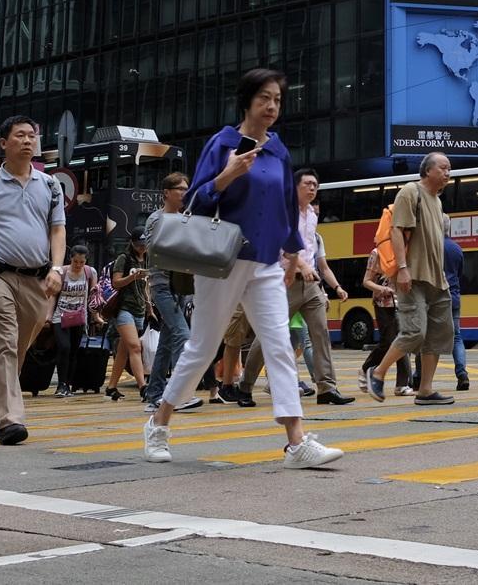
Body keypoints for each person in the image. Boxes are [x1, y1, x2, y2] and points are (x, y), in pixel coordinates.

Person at [142, 68, 343, 468]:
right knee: (202, 348)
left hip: (266, 262)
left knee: (280, 346)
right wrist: (227, 176)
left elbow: (287, 205)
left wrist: (293, 254)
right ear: (247, 101)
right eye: (264, 98)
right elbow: (195, 204)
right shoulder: (223, 143)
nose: (271, 107)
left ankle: (296, 442)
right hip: (223, 260)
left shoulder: (279, 150)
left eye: (278, 100)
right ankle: (158, 422)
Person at [0, 114, 68, 447]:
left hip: (37, 280)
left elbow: (58, 230)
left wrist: (57, 269)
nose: (28, 140)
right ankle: (11, 420)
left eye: (32, 135)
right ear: (4, 143)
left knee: (18, 351)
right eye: (20, 135)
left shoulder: (50, 185)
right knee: (4, 345)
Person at [236, 167, 355, 405]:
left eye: (315, 185)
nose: (312, 188)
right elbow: (283, 246)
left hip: (310, 287)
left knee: (321, 334)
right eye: (308, 184)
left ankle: (326, 388)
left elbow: (310, 252)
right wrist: (302, 266)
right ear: (295, 186)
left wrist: (313, 273)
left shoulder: (312, 214)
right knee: (269, 335)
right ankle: (245, 386)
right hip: (284, 281)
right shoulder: (282, 212)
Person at [367, 152, 456, 405]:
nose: (448, 172)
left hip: (437, 279)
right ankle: (378, 373)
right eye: (443, 168)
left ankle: (426, 390)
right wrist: (402, 268)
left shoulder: (437, 201)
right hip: (412, 277)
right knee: (415, 331)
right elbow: (396, 230)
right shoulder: (410, 191)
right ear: (428, 171)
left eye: (449, 168)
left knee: (439, 334)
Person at [142, 173, 201, 411]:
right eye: (180, 189)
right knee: (182, 335)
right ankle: (179, 395)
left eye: (187, 189)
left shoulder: (185, 218)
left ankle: (154, 394)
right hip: (162, 284)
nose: (185, 193)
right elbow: (154, 250)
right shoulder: (156, 219)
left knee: (166, 343)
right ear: (166, 192)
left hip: (181, 286)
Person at [104, 233, 151, 401]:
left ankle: (111, 387)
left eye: (144, 244)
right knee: (135, 347)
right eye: (139, 244)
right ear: (131, 243)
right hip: (124, 308)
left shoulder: (146, 259)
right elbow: (116, 282)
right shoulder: (124, 258)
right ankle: (143, 387)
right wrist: (132, 277)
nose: (142, 247)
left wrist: (149, 309)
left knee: (124, 351)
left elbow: (145, 288)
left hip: (139, 310)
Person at [359, 247, 413, 395]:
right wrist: (382, 289)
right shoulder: (377, 253)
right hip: (383, 304)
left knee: (403, 341)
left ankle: (402, 385)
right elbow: (366, 281)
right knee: (388, 341)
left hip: (403, 303)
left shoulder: (404, 251)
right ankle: (366, 368)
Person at [51, 245, 96, 397]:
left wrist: (95, 316)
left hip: (79, 316)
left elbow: (93, 296)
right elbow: (52, 296)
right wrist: (47, 316)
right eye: (75, 261)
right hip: (60, 315)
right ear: (70, 258)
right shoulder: (62, 272)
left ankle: (67, 384)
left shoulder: (90, 273)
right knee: (64, 347)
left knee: (73, 352)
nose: (78, 265)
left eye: (81, 262)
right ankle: (61, 384)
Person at [444, 224, 470, 391]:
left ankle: (419, 376)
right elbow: (460, 274)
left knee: (427, 338)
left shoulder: (430, 246)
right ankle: (462, 374)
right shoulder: (456, 248)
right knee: (456, 337)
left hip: (435, 297)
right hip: (453, 296)